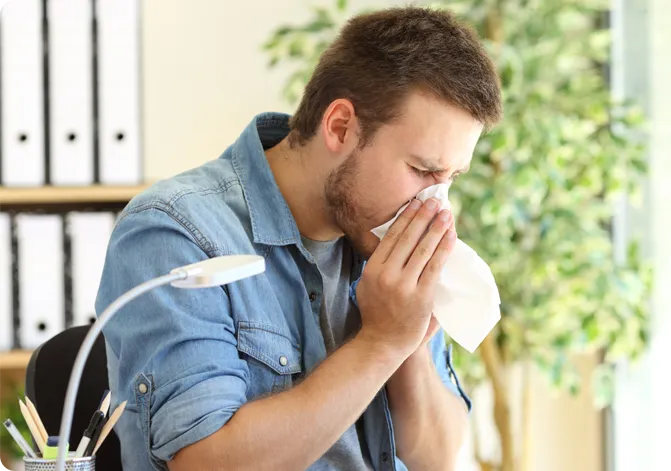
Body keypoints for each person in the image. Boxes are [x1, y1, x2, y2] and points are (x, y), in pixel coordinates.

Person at [95, 5, 502, 471]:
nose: (435, 203)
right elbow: (204, 463)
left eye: (451, 177)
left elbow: (436, 459)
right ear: (340, 127)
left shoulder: (384, 239)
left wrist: (408, 343)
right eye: (423, 171)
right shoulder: (174, 232)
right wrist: (380, 343)